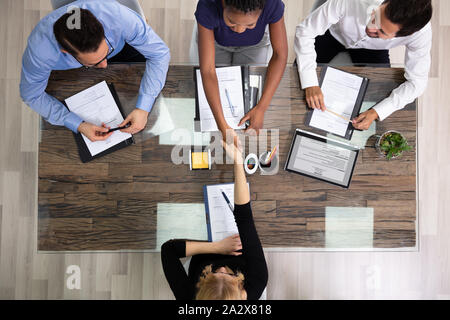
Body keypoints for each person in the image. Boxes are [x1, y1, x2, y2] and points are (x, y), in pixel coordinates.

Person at [20, 0, 170, 142]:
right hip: (76, 75)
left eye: (105, 54)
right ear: (66, 52)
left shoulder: (119, 18)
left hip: (124, 47)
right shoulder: (40, 51)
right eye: (96, 62)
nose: (105, 65)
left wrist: (143, 108)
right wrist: (77, 124)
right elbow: (32, 95)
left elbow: (160, 54)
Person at [294, 0, 433, 130]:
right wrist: (310, 83)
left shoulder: (420, 34)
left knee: (377, 99)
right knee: (296, 83)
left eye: (382, 31)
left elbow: (417, 83)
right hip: (333, 34)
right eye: (375, 17)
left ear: (404, 35)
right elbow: (305, 31)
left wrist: (377, 111)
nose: (370, 27)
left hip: (373, 50)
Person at [161, 138, 268, 300]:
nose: (223, 268)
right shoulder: (257, 281)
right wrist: (238, 162)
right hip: (237, 243)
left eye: (214, 273)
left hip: (205, 246)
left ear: (201, 286)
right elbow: (244, 218)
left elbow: (168, 250)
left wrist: (217, 247)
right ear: (240, 287)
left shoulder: (189, 298)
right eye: (229, 275)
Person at [195, 0, 288, 137]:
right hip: (215, 40)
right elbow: (208, 70)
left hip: (255, 45)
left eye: (250, 24)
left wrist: (261, 108)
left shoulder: (272, 4)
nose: (240, 30)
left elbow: (280, 55)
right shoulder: (207, 5)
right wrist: (222, 126)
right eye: (232, 22)